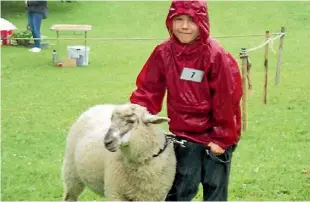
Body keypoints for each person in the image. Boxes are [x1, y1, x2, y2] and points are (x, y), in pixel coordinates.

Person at [129, 0, 243, 201]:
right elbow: (149, 89)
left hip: (215, 135)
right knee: (181, 187)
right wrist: (137, 115)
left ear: (203, 22)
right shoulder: (163, 52)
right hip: (184, 134)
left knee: (214, 188)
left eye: (192, 20)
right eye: (178, 19)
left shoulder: (215, 55)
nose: (184, 26)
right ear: (170, 21)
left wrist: (221, 138)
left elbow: (227, 99)